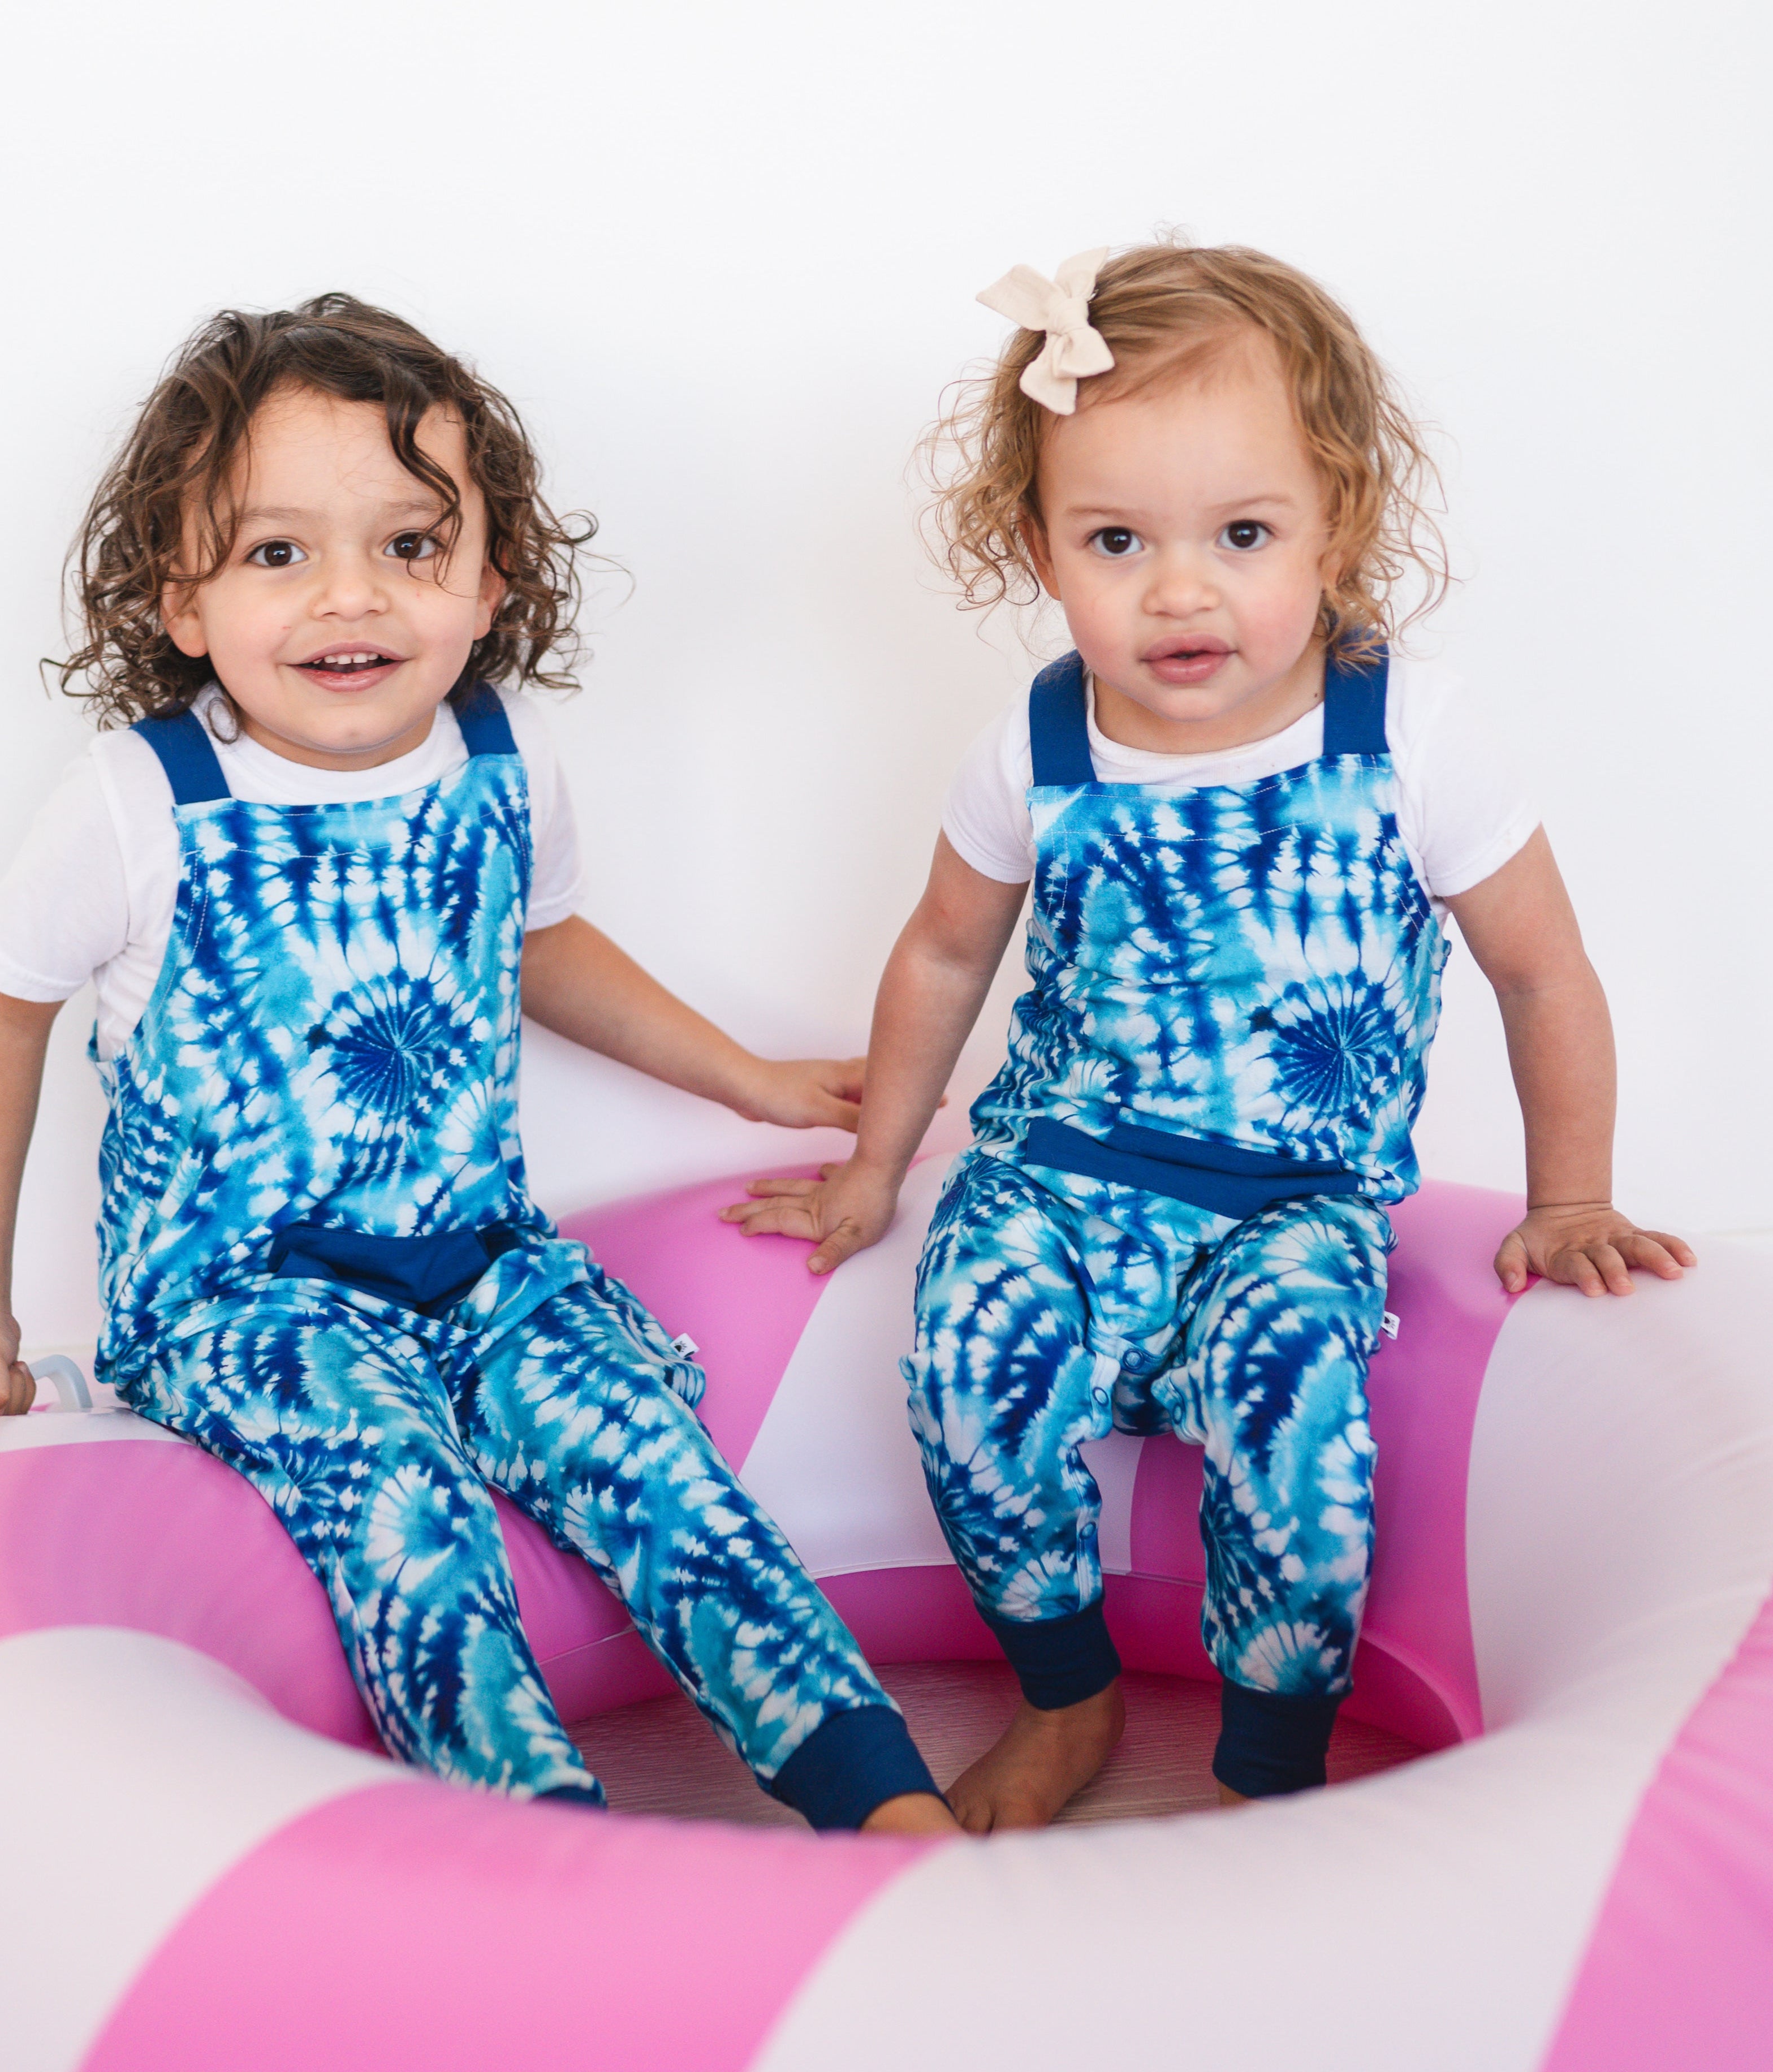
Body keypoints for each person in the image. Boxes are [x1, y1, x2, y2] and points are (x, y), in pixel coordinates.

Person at [0, 293, 956, 1837]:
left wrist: (747, 1078)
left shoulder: (499, 760)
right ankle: (537, 1844)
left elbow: (536, 946)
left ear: (489, 582)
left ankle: (882, 1806)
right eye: (279, 553)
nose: (353, 597)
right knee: (410, 1518)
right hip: (246, 1300)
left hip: (480, 1263)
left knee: (668, 1473)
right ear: (183, 601)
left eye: (411, 545)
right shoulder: (141, 803)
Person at [726, 242, 1693, 1829]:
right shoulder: (1036, 744)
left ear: (1337, 524)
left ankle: (1269, 1768)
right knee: (967, 1369)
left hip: (1294, 1202)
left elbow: (1542, 974)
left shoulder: (1409, 734)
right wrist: (876, 1167)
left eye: (1242, 535)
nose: (1179, 591)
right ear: (1039, 546)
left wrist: (1570, 1195)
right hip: (1059, 1173)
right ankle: (1066, 1694)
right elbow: (946, 951)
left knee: (1300, 1437)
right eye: (1117, 540)